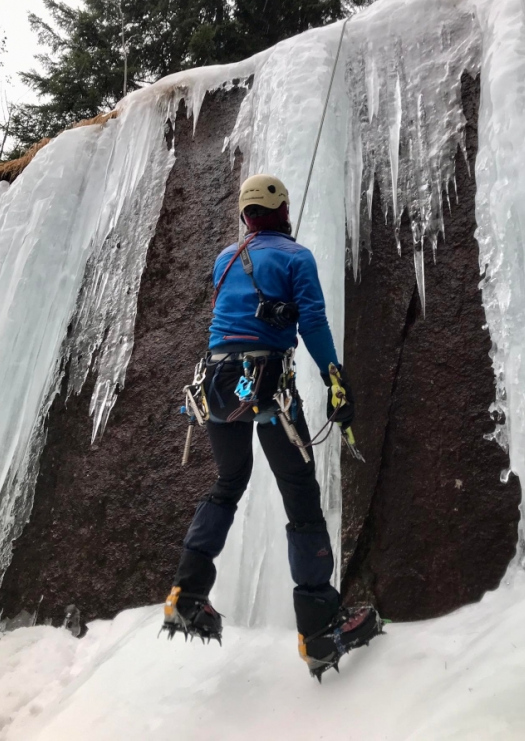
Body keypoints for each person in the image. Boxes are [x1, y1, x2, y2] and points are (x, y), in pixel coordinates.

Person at [162, 174, 381, 679]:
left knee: (228, 482)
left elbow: (229, 318)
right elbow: (314, 324)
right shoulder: (295, 257)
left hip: (217, 388)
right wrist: (335, 379)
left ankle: (187, 592)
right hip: (268, 391)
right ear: (283, 211)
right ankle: (321, 630)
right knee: (300, 496)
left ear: (245, 216)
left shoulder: (225, 259)